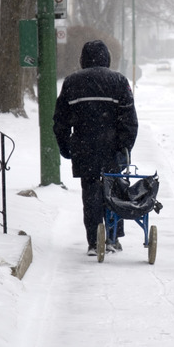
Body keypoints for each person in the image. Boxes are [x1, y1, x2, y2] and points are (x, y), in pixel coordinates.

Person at [53, 40, 139, 256]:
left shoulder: (71, 83)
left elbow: (61, 120)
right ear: (107, 58)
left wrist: (65, 147)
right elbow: (129, 119)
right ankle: (112, 236)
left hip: (84, 147)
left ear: (83, 59)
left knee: (90, 191)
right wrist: (124, 146)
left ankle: (94, 241)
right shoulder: (119, 81)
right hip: (112, 148)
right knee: (115, 188)